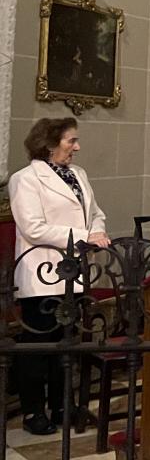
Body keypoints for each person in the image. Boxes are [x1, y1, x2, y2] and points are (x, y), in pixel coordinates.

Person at [8, 117, 110, 435]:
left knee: (67, 342)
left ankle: (62, 404)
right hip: (42, 271)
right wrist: (83, 235)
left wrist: (97, 229)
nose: (76, 147)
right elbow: (32, 227)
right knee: (40, 344)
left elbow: (95, 212)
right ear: (49, 144)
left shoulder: (77, 174)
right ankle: (33, 411)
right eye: (70, 141)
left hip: (73, 271)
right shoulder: (25, 179)